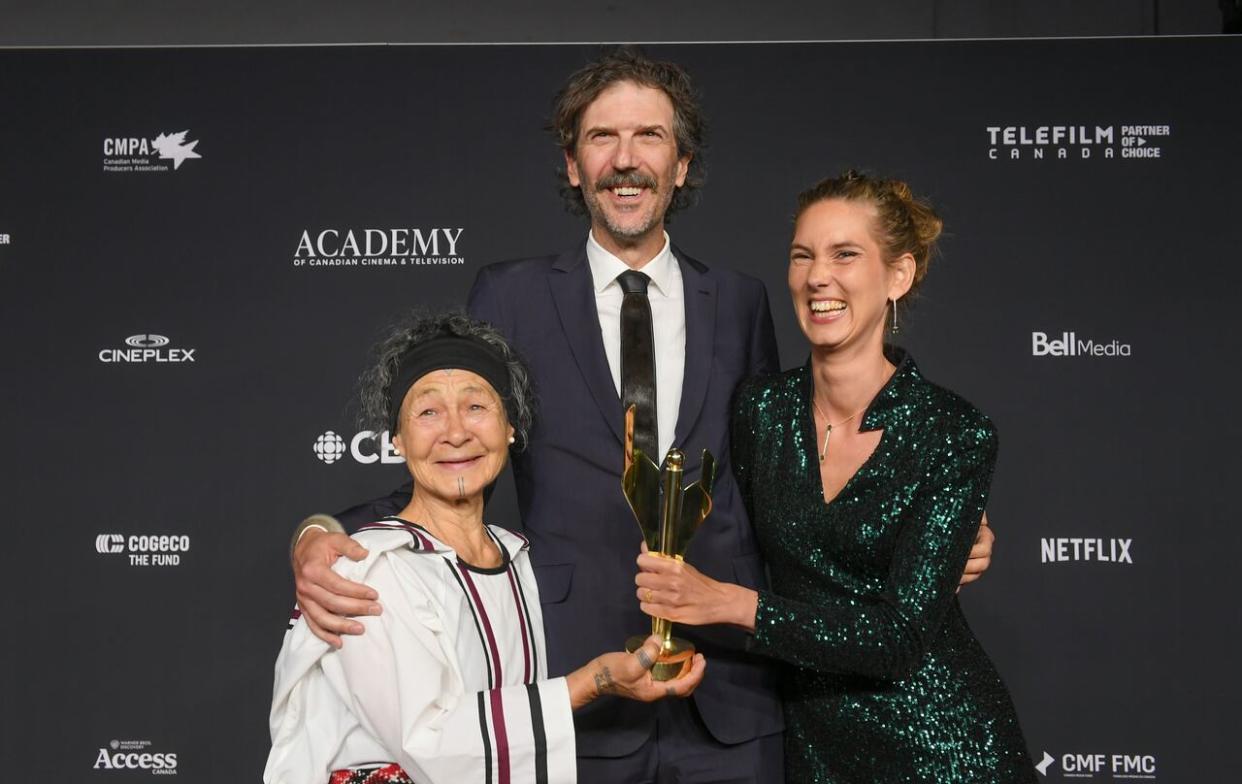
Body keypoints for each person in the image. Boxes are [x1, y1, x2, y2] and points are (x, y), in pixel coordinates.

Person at [291, 50, 995, 782]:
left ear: (682, 164)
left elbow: (778, 467)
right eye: (603, 138)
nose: (626, 161)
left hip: (736, 698)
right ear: (573, 164)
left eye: (650, 137)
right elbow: (454, 450)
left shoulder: (742, 301)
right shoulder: (511, 296)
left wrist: (919, 529)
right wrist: (328, 533)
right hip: (582, 685)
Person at [634, 171, 1035, 782]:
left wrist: (730, 604)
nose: (818, 276)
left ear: (898, 275)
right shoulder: (759, 412)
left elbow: (898, 639)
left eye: (845, 254)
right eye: (803, 256)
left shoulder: (953, 432)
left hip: (944, 748)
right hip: (814, 747)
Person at [265, 313, 704, 784]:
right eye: (428, 412)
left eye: (476, 406)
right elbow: (426, 740)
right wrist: (592, 682)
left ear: (510, 428)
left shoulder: (516, 559)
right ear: (397, 439)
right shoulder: (369, 571)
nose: (456, 432)